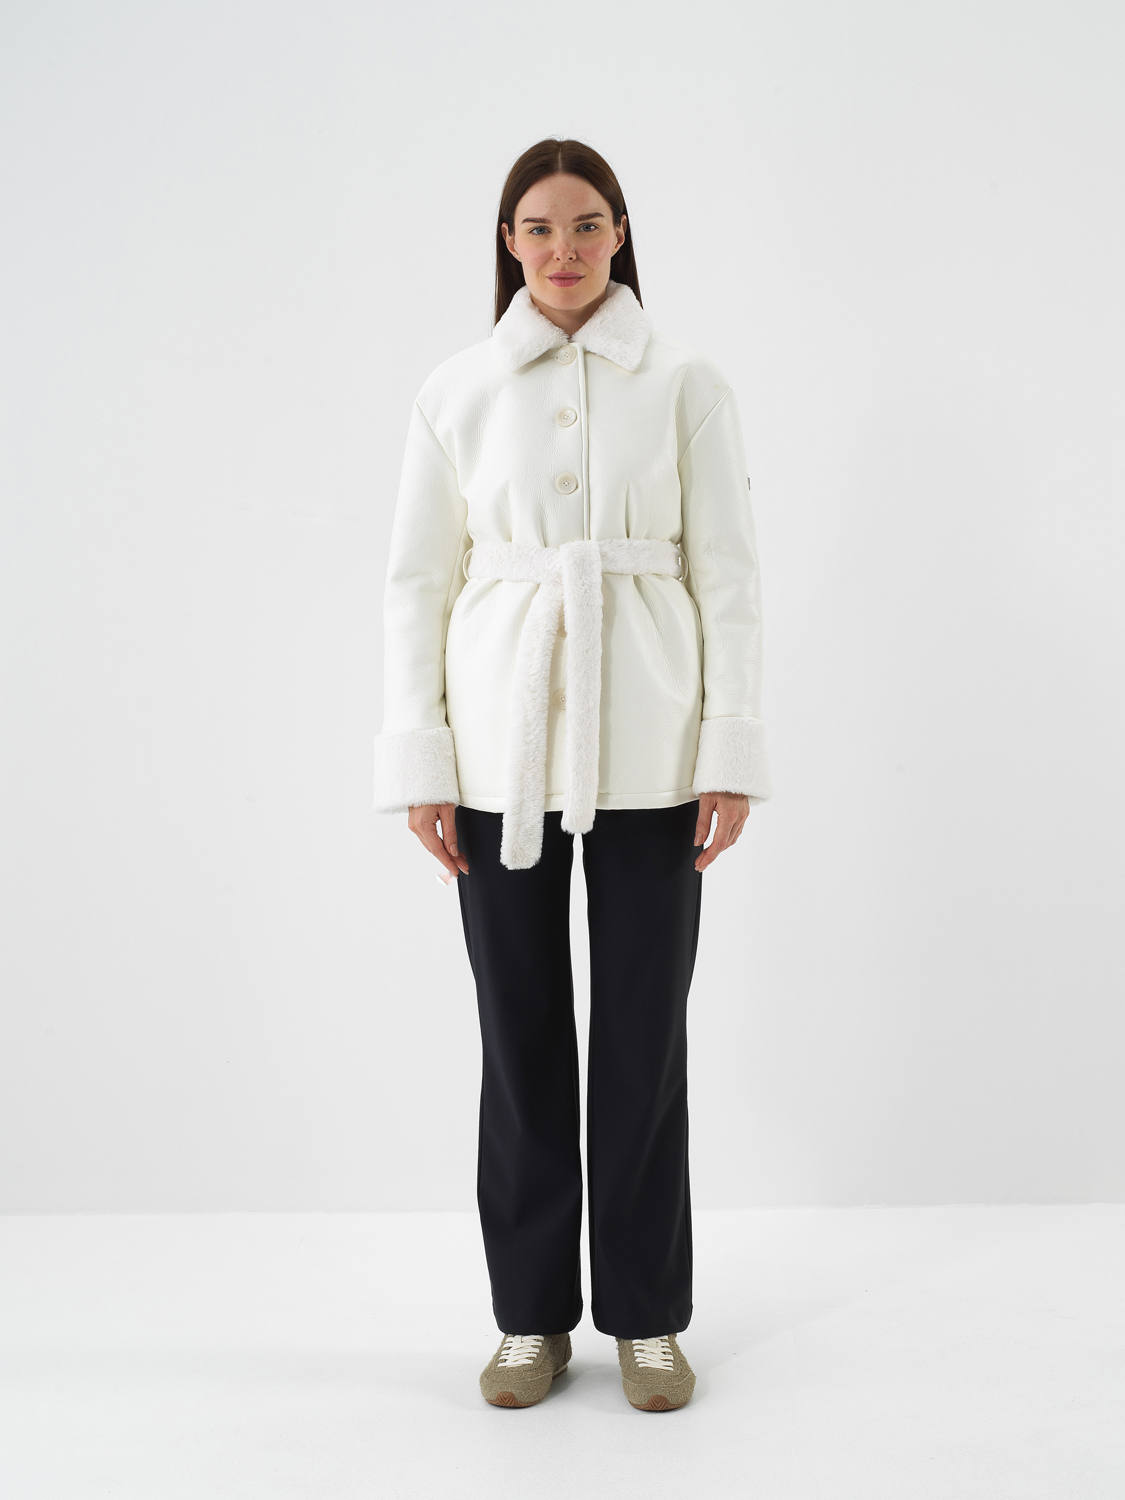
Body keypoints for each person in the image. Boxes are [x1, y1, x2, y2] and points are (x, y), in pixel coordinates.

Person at [374, 138, 772, 1411]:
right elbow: (416, 585)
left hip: (655, 745)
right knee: (521, 1033)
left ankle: (648, 1318)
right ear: (509, 240)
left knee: (645, 1037)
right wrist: (424, 758)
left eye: (587, 225)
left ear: (621, 232)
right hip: (499, 751)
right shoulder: (455, 390)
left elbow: (730, 576)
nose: (564, 250)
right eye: (539, 228)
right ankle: (529, 1319)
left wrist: (729, 747)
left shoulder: (687, 382)